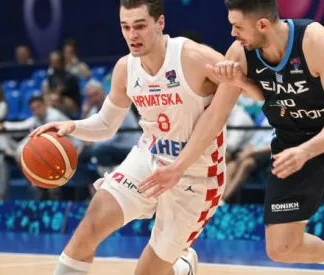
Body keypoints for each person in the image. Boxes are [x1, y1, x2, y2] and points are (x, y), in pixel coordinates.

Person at [140, 1, 324, 274]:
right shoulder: (239, 53)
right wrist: (178, 168)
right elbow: (215, 117)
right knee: (281, 247)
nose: (232, 33)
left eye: (237, 26)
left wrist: (307, 152)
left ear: (262, 24)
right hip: (292, 139)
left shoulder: (313, 38)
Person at [30, 0, 248, 274]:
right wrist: (72, 126)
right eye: (126, 27)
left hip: (196, 174)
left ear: (160, 23)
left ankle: (181, 268)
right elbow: (107, 124)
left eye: (140, 26)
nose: (133, 35)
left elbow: (252, 88)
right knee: (90, 226)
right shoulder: (125, 68)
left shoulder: (193, 56)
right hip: (149, 158)